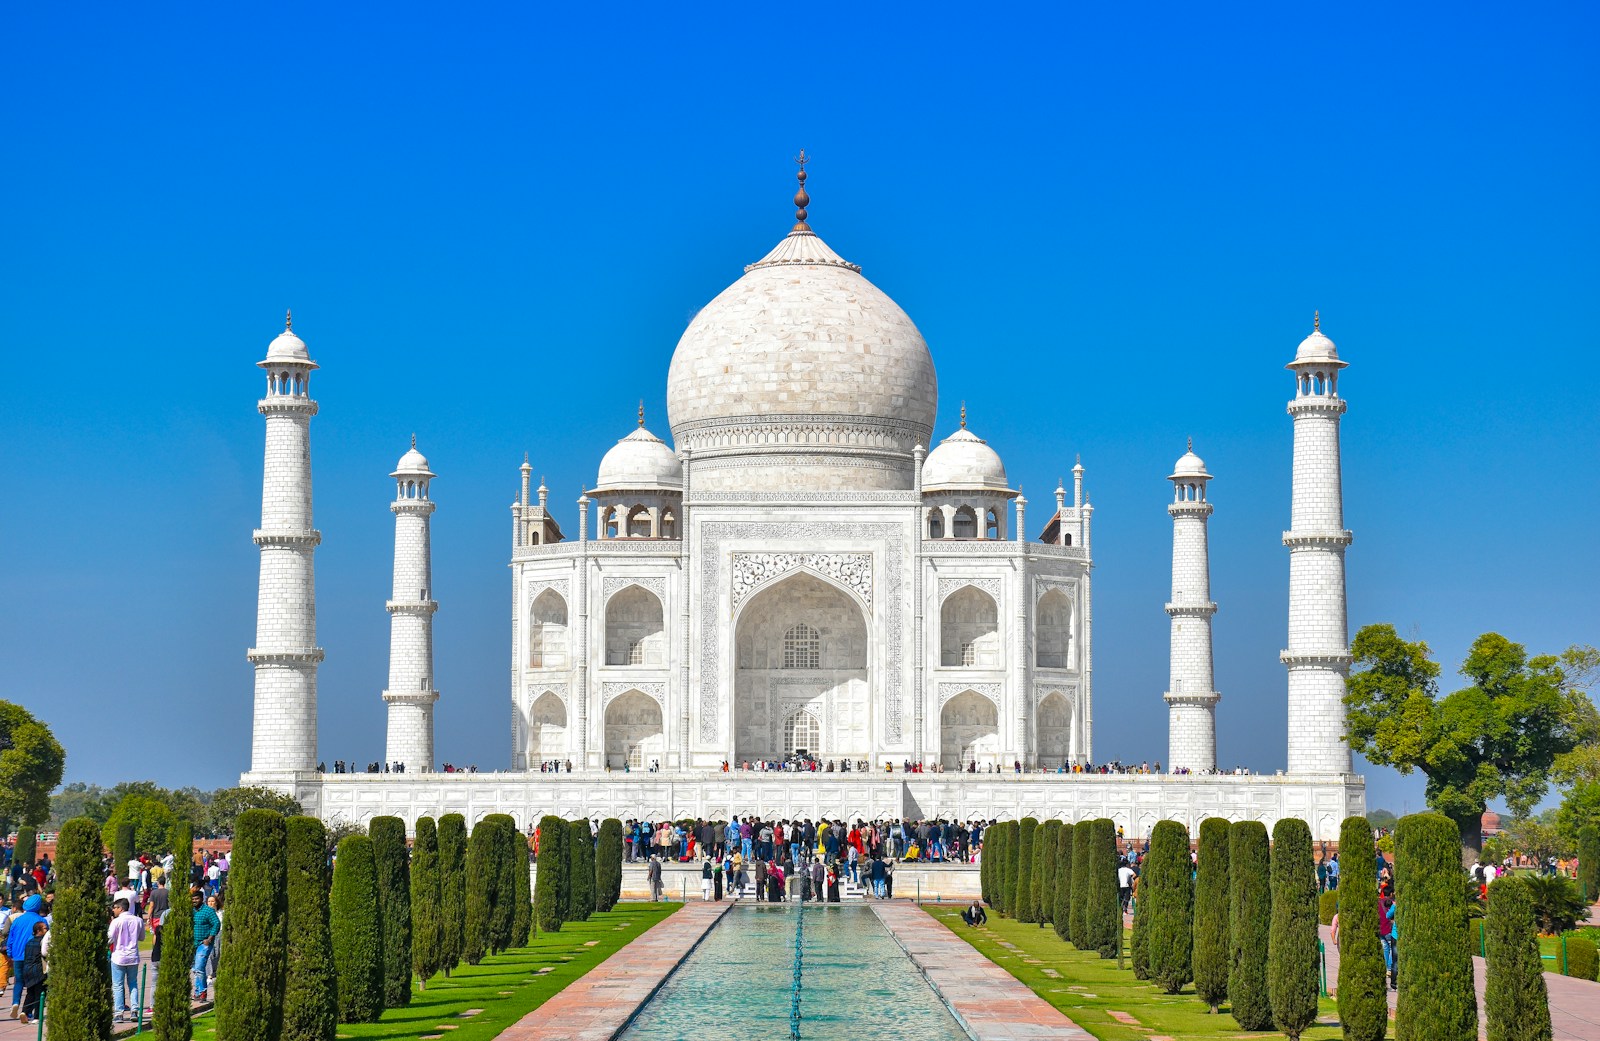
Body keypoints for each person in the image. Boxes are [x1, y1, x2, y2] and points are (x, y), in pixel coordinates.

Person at [6, 895, 45, 1018]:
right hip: (33, 957)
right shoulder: (41, 921)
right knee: (32, 985)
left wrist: (10, 953)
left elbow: (10, 938)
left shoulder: (18, 920)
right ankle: (27, 1011)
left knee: (18, 981)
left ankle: (15, 1003)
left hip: (17, 955)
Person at [108, 896, 144, 1021]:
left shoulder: (116, 922)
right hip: (133, 956)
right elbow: (142, 937)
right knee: (133, 983)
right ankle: (134, 1010)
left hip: (119, 956)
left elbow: (109, 938)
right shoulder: (138, 920)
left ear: (121, 908)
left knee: (118, 985)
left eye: (115, 908)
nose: (114, 911)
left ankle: (119, 1013)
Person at [191, 887, 221, 1000]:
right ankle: (200, 990)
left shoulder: (208, 911)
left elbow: (216, 923)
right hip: (193, 943)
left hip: (204, 944)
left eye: (197, 899)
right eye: (193, 899)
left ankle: (201, 991)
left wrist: (210, 938)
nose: (194, 901)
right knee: (196, 969)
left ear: (202, 899)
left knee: (199, 967)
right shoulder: (191, 911)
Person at [15, 922, 45, 1026]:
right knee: (39, 994)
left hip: (27, 969)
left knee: (30, 992)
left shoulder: (29, 942)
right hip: (38, 970)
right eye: (44, 928)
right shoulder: (42, 942)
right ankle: (36, 1017)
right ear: (38, 931)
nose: (46, 930)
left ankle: (25, 1011)